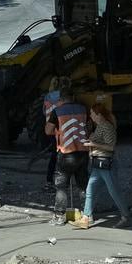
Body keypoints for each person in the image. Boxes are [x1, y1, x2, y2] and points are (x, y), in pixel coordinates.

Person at [74, 99, 130, 229]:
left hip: (105, 163)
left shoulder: (107, 127)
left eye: (92, 113)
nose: (91, 116)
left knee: (114, 191)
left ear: (99, 115)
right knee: (90, 190)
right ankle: (86, 217)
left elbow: (111, 147)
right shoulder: (100, 126)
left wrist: (92, 144)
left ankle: (125, 216)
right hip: (97, 163)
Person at [45, 81, 90, 225]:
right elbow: (89, 127)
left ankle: (59, 215)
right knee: (83, 185)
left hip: (65, 152)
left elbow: (48, 131)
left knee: (61, 186)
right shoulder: (83, 109)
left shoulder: (57, 111)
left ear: (61, 99)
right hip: (83, 152)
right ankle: (87, 213)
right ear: (73, 97)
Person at [40, 78, 62, 189]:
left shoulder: (47, 96)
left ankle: (49, 181)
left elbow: (44, 112)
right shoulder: (62, 96)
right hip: (59, 128)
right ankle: (58, 180)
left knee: (54, 155)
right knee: (59, 155)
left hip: (49, 128)